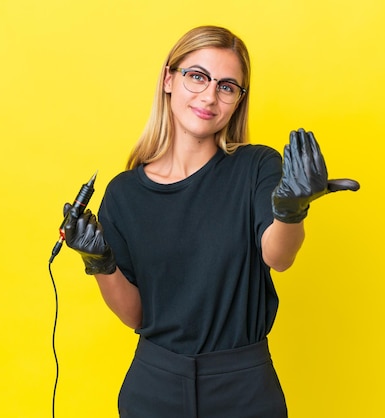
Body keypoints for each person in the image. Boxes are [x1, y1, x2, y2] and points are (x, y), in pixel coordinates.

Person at [63, 25, 359, 418]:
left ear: (238, 99)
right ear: (169, 79)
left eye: (227, 86)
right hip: (155, 385)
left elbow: (278, 256)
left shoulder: (256, 166)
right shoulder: (124, 193)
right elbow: (135, 315)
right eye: (197, 76)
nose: (209, 96)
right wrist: (99, 263)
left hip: (244, 387)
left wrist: (291, 209)